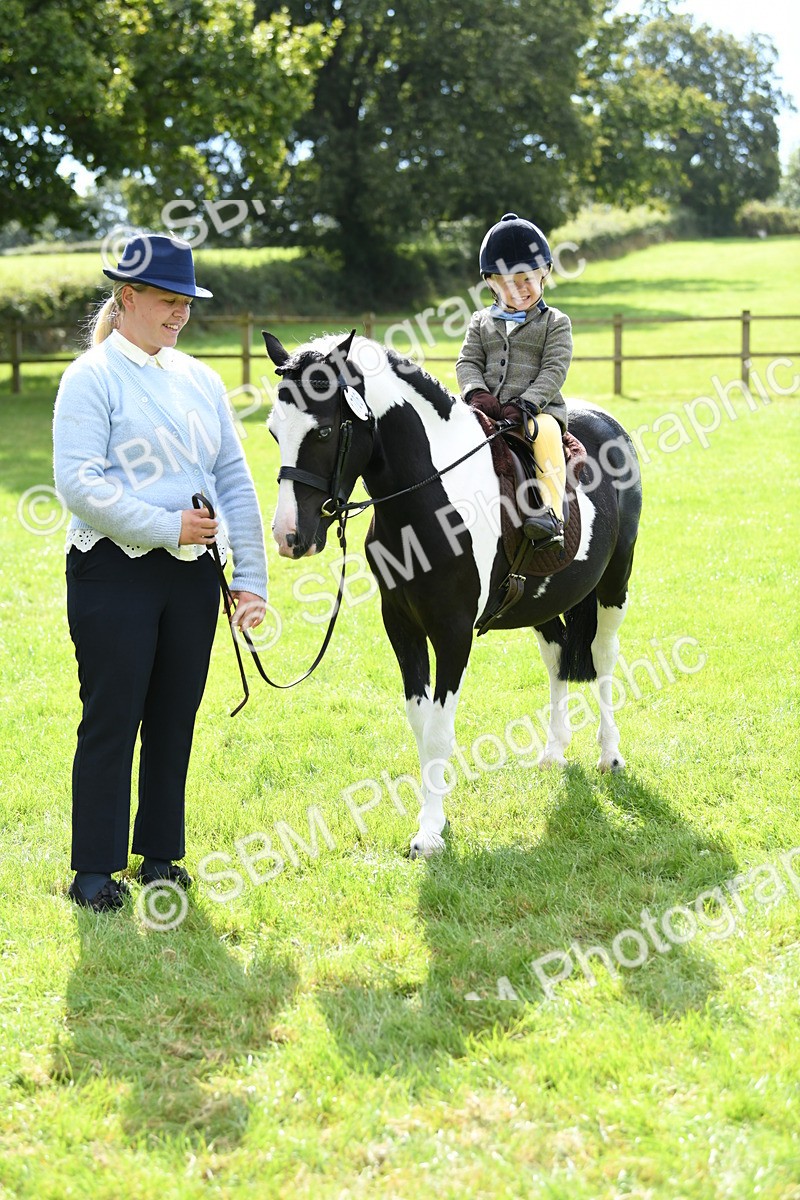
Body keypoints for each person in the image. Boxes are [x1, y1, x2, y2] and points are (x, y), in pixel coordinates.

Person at [53, 234, 268, 913]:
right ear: (127, 299)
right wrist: (166, 525)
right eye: (169, 301)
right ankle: (93, 870)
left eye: (186, 303)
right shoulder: (90, 377)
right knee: (112, 718)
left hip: (192, 580)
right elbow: (79, 485)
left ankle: (161, 859)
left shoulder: (201, 380)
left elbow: (233, 477)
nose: (180, 315)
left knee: (175, 719)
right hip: (112, 573)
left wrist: (249, 576)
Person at [456, 212, 573, 549]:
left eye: (526, 279)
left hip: (536, 412)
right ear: (492, 283)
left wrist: (525, 403)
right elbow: (467, 361)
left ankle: (550, 515)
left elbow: (554, 369)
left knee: (547, 433)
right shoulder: (480, 322)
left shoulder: (555, 322)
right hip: (486, 409)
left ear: (543, 275)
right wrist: (477, 393)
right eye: (507, 281)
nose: (518, 289)